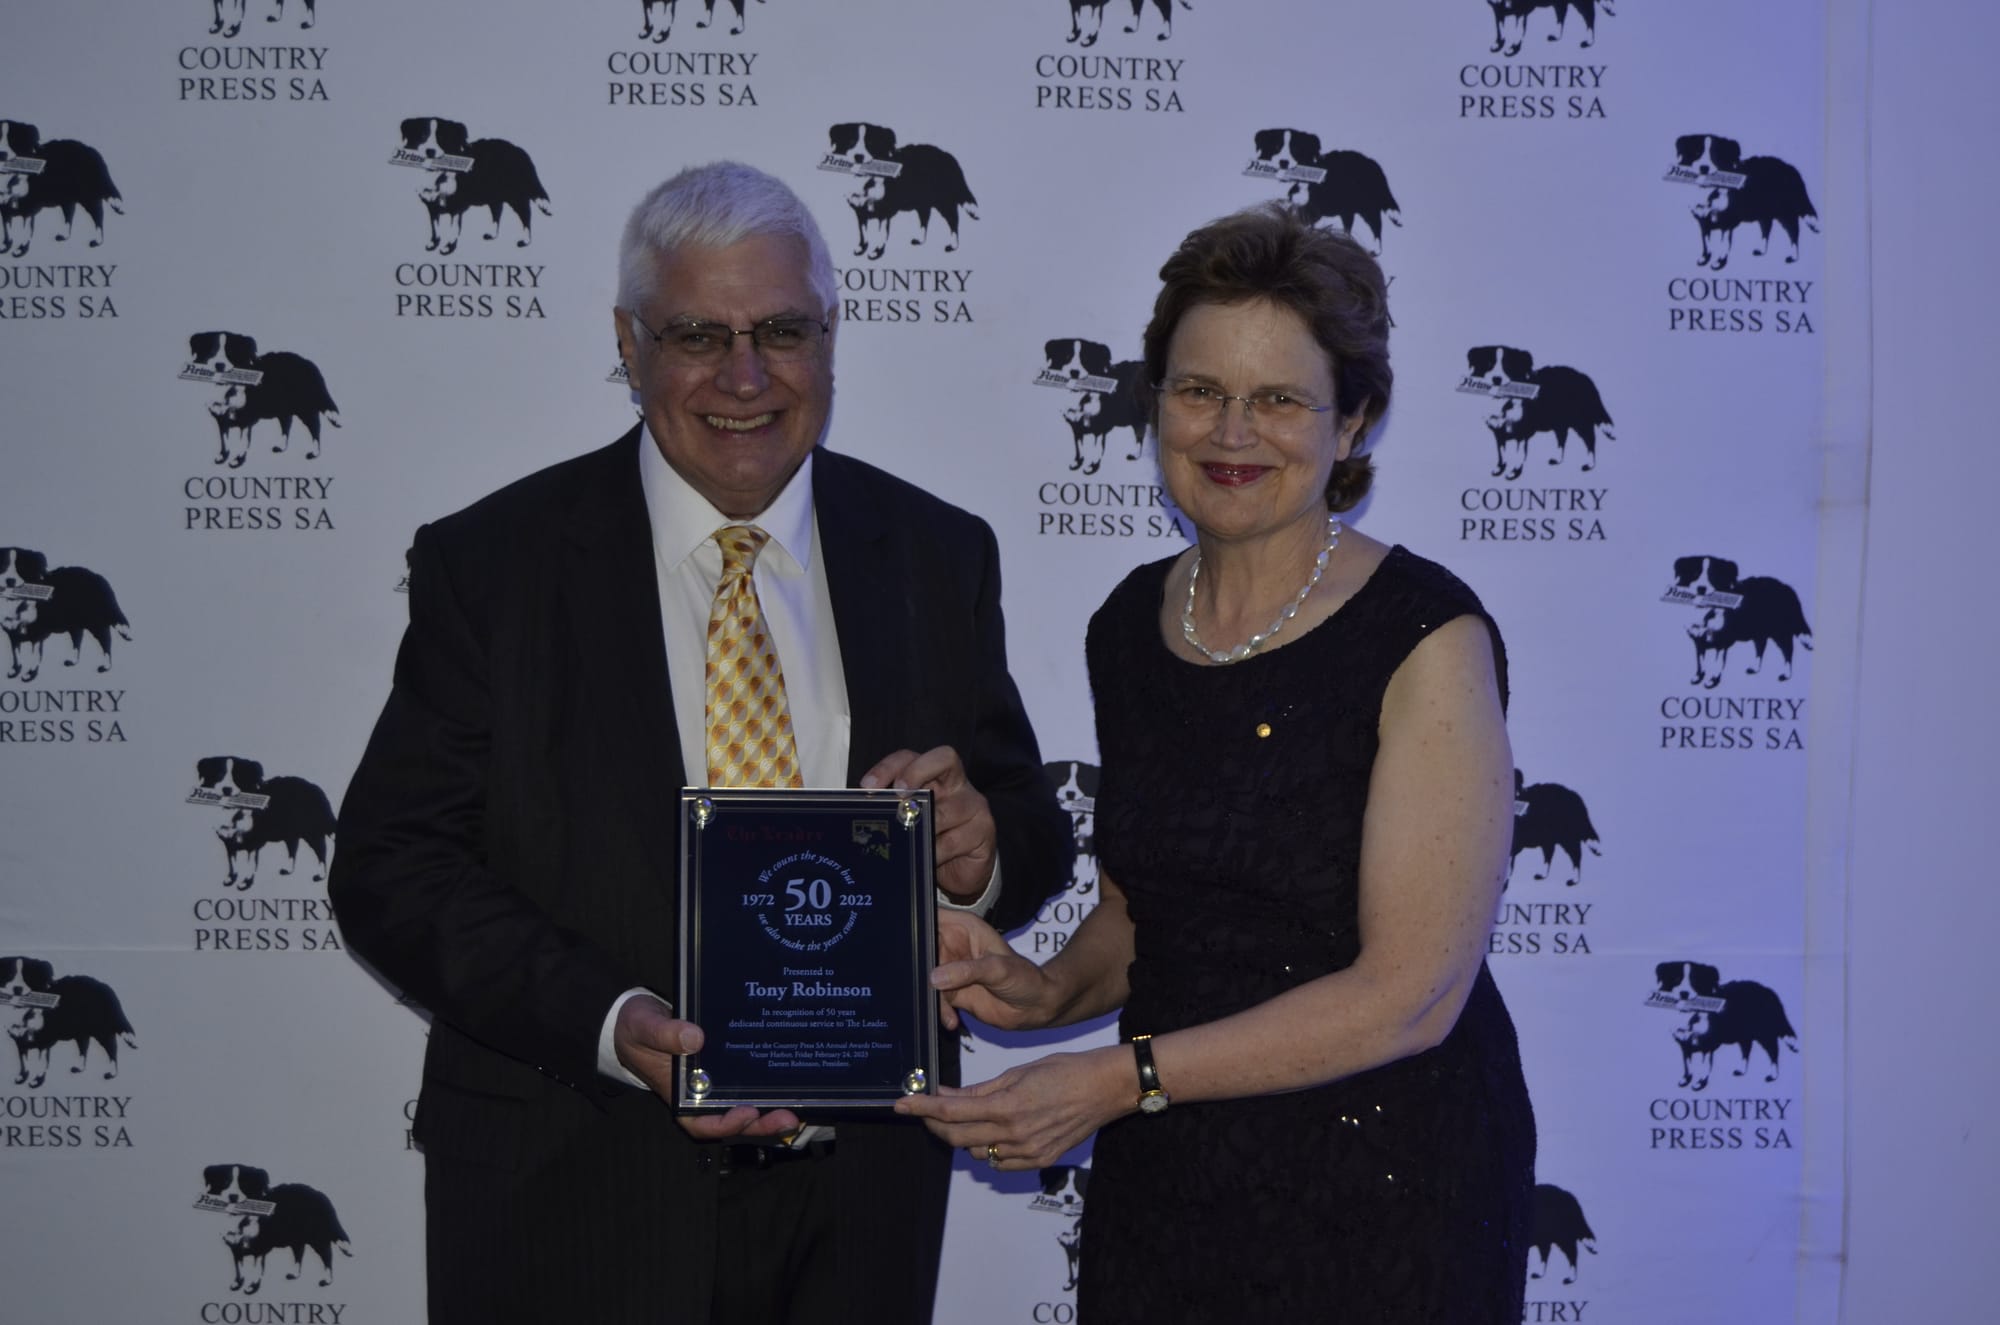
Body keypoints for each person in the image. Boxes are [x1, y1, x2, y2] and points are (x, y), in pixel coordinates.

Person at [328, 161, 1071, 1325]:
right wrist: (617, 1023)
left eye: (782, 329)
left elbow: (1026, 821)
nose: (743, 374)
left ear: (831, 337)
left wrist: (978, 851)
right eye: (695, 334)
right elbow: (392, 867)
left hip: (858, 1206)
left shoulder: (934, 551)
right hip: (571, 1192)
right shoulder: (494, 564)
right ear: (627, 344)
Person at [897, 203, 1537, 1321]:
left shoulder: (1427, 636)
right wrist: (1040, 987)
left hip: (1384, 1175)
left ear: (1354, 425)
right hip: (1171, 1166)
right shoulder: (1126, 625)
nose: (1231, 430)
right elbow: (1143, 917)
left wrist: (1114, 1078)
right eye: (1198, 391)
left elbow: (1408, 996)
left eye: (1281, 398)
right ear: (1155, 406)